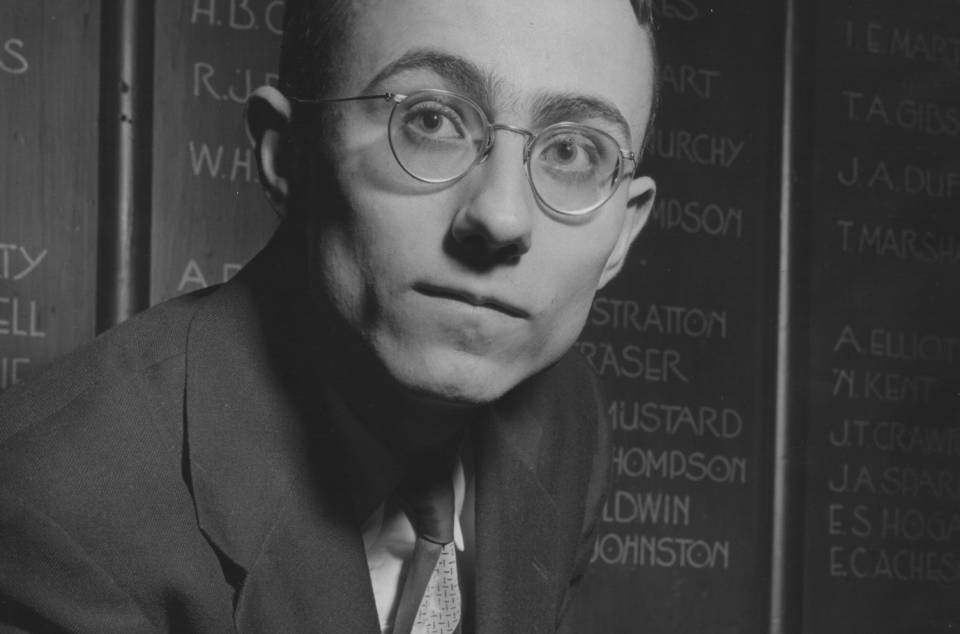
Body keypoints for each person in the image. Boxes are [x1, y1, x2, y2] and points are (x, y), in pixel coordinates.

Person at [0, 0, 657, 631]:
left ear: (622, 237)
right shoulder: (50, 508)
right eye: (429, 120)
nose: (502, 216)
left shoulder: (565, 416)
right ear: (288, 156)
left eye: (574, 152)